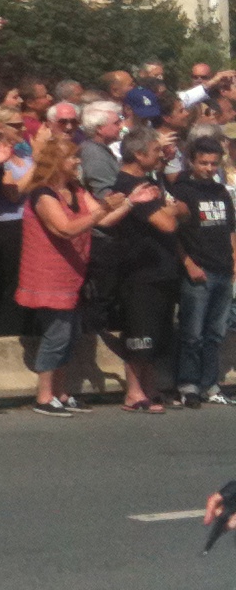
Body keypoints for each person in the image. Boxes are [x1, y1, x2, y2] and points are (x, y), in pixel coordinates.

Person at [18, 131, 112, 415]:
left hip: (74, 273)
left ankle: (62, 391)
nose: (77, 162)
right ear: (57, 161)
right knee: (56, 334)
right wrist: (102, 211)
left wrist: (131, 202)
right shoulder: (43, 194)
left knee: (71, 335)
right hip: (48, 274)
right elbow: (65, 228)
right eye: (72, 157)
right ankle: (44, 396)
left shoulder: (78, 190)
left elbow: (104, 219)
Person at [110, 124, 185, 413]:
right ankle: (134, 391)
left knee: (156, 333)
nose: (160, 155)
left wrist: (173, 208)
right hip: (139, 272)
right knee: (139, 334)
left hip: (162, 267)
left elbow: (179, 210)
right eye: (155, 151)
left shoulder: (152, 181)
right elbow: (168, 222)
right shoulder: (128, 185)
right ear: (139, 155)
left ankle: (150, 386)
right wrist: (173, 210)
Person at [172, 135, 236, 407]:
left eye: (213, 163)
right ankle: (188, 384)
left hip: (223, 269)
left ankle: (210, 384)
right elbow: (173, 233)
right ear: (191, 161)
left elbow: (231, 229)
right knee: (192, 333)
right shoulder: (183, 191)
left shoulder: (221, 191)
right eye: (203, 163)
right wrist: (188, 264)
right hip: (198, 270)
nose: (208, 168)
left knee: (215, 333)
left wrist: (234, 261)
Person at [0, 107, 33, 335]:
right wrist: (40, 166)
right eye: (16, 125)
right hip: (9, 225)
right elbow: (13, 193)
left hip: (31, 222)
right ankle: (8, 333)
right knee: (14, 282)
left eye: (22, 124)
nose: (23, 128)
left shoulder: (23, 156)